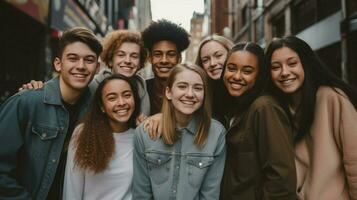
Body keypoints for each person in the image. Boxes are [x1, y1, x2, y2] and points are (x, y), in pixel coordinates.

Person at [0, 27, 102, 199]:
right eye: (72, 58)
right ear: (58, 64)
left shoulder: (96, 107)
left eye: (89, 60)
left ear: (97, 67)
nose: (81, 66)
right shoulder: (25, 103)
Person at [266, 36, 357, 199]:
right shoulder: (275, 108)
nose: (284, 72)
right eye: (275, 67)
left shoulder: (331, 97)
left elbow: (355, 160)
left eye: (292, 63)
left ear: (305, 64)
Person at [133, 63, 226, 200]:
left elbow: (210, 194)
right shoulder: (145, 133)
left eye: (198, 88)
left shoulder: (216, 134)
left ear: (204, 94)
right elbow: (141, 193)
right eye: (182, 86)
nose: (190, 94)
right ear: (168, 92)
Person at [219, 42, 297, 199]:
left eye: (247, 71)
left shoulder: (264, 107)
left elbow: (281, 180)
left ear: (259, 75)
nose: (236, 76)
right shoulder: (236, 107)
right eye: (231, 68)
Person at [63, 74, 140, 200]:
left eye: (127, 95)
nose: (121, 102)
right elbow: (72, 188)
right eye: (112, 98)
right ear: (102, 106)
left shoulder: (139, 136)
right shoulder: (83, 133)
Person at [90, 30, 150, 118]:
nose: (127, 61)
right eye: (121, 55)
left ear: (140, 63)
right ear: (110, 60)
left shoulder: (143, 89)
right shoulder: (93, 86)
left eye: (134, 56)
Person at [141, 19, 190, 115]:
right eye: (158, 54)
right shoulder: (140, 91)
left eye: (171, 54)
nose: (164, 60)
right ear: (150, 58)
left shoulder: (189, 91)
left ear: (179, 58)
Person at [195, 34, 233, 123]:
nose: (212, 63)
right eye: (205, 60)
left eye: (218, 55)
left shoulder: (244, 90)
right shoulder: (200, 95)